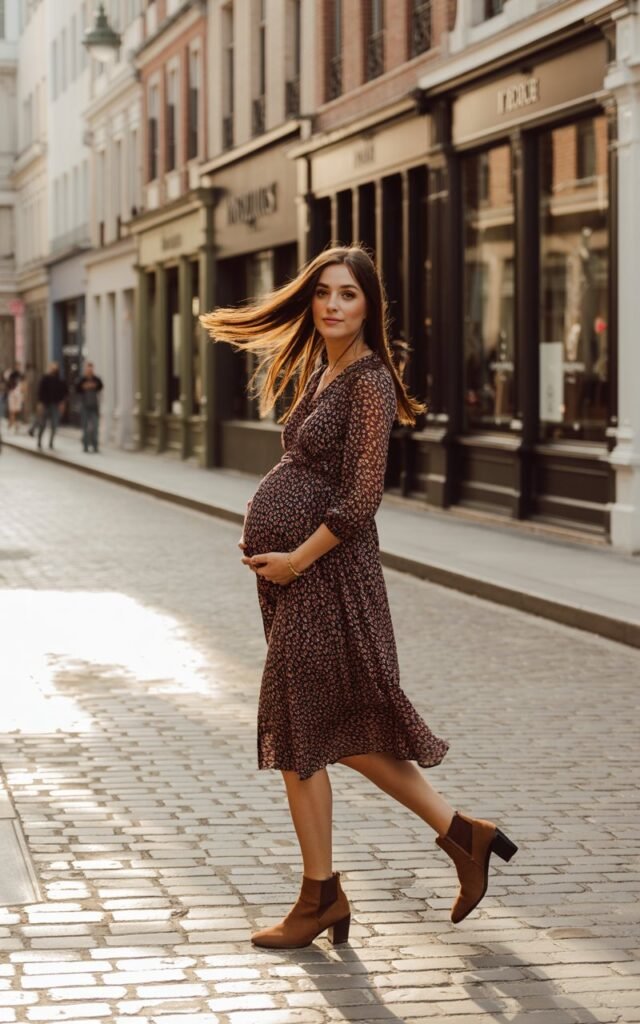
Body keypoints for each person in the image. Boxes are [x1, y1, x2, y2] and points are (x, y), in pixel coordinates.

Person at [200, 244, 517, 951]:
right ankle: (457, 838)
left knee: (304, 731)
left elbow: (361, 497)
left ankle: (325, 896)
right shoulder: (326, 369)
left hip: (327, 577)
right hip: (297, 577)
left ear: (370, 304)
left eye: (347, 294)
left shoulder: (369, 380)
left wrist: (294, 560)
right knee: (321, 727)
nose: (332, 305)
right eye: (323, 294)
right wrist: (273, 547)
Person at [36, 362, 68, 451]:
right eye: (52, 368)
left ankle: (51, 443)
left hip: (55, 405)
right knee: (42, 424)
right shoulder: (45, 379)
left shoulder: (60, 380)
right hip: (45, 404)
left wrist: (62, 404)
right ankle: (39, 441)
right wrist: (40, 404)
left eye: (55, 368)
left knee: (54, 425)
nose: (53, 369)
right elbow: (40, 392)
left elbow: (64, 393)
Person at [76, 361, 103, 452]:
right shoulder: (81, 379)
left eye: (91, 369)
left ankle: (95, 446)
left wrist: (93, 385)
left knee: (95, 427)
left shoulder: (96, 379)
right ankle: (85, 446)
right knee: (85, 427)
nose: (89, 370)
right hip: (85, 406)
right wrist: (84, 386)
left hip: (94, 407)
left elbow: (100, 386)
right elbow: (77, 389)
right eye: (88, 369)